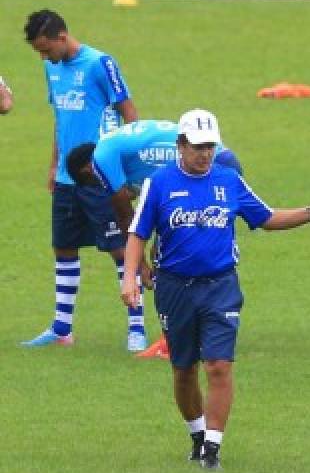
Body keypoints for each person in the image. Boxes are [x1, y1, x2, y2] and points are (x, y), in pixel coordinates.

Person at [122, 109, 310, 470]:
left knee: (219, 366)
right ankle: (197, 434)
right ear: (180, 145)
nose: (204, 154)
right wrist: (129, 277)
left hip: (221, 286)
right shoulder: (158, 183)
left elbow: (265, 217)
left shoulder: (228, 180)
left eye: (209, 147)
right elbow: (138, 233)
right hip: (174, 287)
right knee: (183, 369)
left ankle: (212, 451)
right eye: (197, 147)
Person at [65, 120, 244, 358]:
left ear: (88, 170)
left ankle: (174, 340)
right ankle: (197, 331)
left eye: (95, 184)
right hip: (220, 157)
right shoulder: (121, 151)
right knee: (178, 248)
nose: (102, 188)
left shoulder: (103, 159)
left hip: (212, 163)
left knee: (175, 252)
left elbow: (125, 214)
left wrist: (140, 266)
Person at [22, 9, 143, 351]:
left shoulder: (100, 64)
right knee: (64, 247)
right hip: (66, 177)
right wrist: (53, 166)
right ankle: (62, 329)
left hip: (99, 176)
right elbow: (60, 119)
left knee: (120, 249)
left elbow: (129, 113)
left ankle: (136, 328)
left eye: (46, 49)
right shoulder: (52, 68)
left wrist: (126, 168)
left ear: (62, 37)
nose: (44, 57)